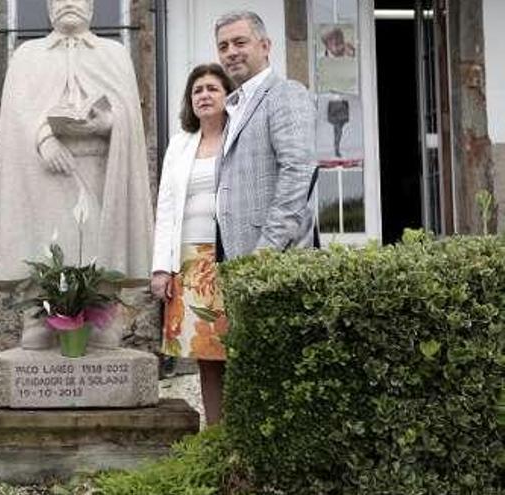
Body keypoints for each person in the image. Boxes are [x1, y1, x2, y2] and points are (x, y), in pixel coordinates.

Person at [0, 0, 153, 285]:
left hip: (99, 173)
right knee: (42, 290)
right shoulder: (28, 55)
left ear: (91, 6)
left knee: (101, 298)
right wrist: (44, 138)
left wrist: (109, 123)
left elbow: (129, 114)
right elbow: (17, 111)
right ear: (49, 8)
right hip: (44, 178)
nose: (69, 3)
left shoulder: (114, 54)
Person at [151, 64, 234, 425]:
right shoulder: (180, 144)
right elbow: (166, 206)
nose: (204, 95)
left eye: (212, 88)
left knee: (239, 350)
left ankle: (241, 435)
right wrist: (160, 267)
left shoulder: (240, 136)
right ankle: (215, 434)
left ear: (228, 95)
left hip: (231, 258)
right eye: (197, 90)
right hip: (190, 261)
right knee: (206, 353)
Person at [213, 10, 318, 260]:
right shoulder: (235, 107)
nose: (231, 52)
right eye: (223, 46)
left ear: (265, 46)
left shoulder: (285, 93)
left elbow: (298, 173)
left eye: (240, 42)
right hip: (238, 262)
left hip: (274, 265)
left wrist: (265, 254)